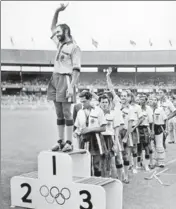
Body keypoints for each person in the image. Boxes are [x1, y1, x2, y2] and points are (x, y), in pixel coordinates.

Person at [47, 3, 81, 152]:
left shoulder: (74, 47)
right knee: (58, 112)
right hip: (54, 79)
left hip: (66, 79)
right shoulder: (59, 44)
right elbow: (52, 27)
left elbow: (77, 70)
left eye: (59, 32)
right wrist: (57, 11)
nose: (57, 33)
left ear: (66, 31)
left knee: (67, 112)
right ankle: (60, 141)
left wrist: (71, 86)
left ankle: (69, 142)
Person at [74, 91, 107, 176]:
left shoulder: (98, 111)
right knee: (86, 165)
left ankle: (98, 183)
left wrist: (89, 129)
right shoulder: (80, 112)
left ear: (90, 99)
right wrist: (76, 132)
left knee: (96, 165)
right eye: (81, 102)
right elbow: (77, 128)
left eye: (84, 102)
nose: (82, 104)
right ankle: (88, 184)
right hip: (84, 140)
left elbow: (103, 128)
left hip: (96, 139)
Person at [99, 94, 124, 179]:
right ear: (99, 103)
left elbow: (116, 130)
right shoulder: (97, 114)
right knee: (102, 163)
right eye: (102, 102)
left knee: (112, 162)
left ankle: (114, 182)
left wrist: (116, 144)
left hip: (110, 139)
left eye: (106, 102)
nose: (104, 104)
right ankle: (103, 182)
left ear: (109, 103)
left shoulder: (113, 114)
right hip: (100, 139)